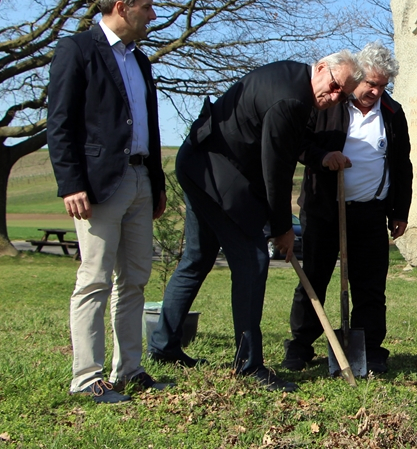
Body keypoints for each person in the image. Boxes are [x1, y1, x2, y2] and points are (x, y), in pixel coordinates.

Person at [148, 52, 363, 392]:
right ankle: (249, 365)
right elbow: (274, 171)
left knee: (198, 257)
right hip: (215, 172)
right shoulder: (290, 100)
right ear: (321, 68)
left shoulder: (294, 81)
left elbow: (286, 148)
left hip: (200, 162)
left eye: (344, 94)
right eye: (335, 86)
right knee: (253, 260)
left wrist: (319, 157)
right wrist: (280, 229)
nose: (335, 97)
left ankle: (164, 345)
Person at [47, 0, 169, 404]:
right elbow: (59, 124)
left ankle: (129, 369)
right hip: (97, 186)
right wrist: (70, 184)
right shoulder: (76, 50)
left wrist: (156, 183)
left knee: (134, 279)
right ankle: (86, 378)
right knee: (94, 280)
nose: (152, 15)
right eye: (147, 7)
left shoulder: (141, 61)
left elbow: (150, 128)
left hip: (139, 180)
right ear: (122, 7)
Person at [282, 43, 413, 375]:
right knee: (315, 277)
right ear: (357, 76)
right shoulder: (327, 104)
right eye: (370, 83)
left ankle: (369, 349)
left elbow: (401, 165)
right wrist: (323, 157)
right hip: (325, 209)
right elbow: (297, 142)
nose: (375, 91)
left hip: (370, 212)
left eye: (383, 85)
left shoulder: (393, 114)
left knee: (370, 285)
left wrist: (399, 211)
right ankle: (300, 345)